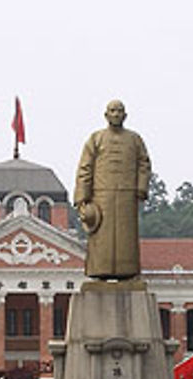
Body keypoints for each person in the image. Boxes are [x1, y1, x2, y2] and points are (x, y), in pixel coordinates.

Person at [74, 100, 151, 280]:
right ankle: (100, 271)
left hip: (127, 196)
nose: (116, 114)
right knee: (101, 237)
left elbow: (144, 164)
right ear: (106, 115)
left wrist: (141, 187)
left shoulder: (135, 139)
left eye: (120, 111)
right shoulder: (96, 138)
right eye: (113, 111)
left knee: (126, 238)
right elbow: (85, 168)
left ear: (125, 115)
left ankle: (127, 271)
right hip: (101, 196)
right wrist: (82, 198)